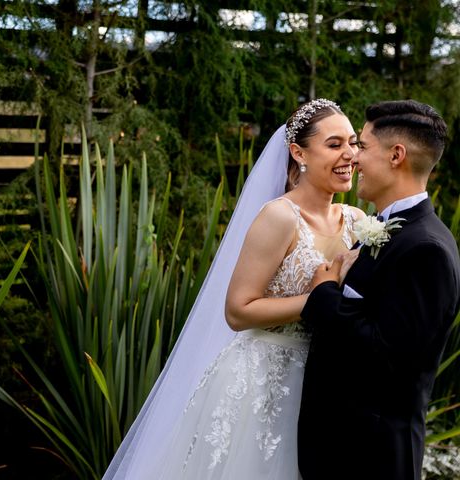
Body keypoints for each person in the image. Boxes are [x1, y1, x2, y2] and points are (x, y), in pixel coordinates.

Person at [103, 98, 363, 479]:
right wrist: (315, 299)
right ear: (298, 152)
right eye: (334, 144)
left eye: (354, 143)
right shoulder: (279, 217)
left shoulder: (358, 221)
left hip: (325, 384)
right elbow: (238, 310)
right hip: (262, 383)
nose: (349, 155)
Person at [298, 100, 460, 480]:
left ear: (396, 155)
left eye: (363, 147)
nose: (353, 158)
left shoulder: (427, 249)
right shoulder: (387, 230)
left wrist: (324, 295)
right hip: (343, 450)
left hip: (372, 458)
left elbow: (389, 357)